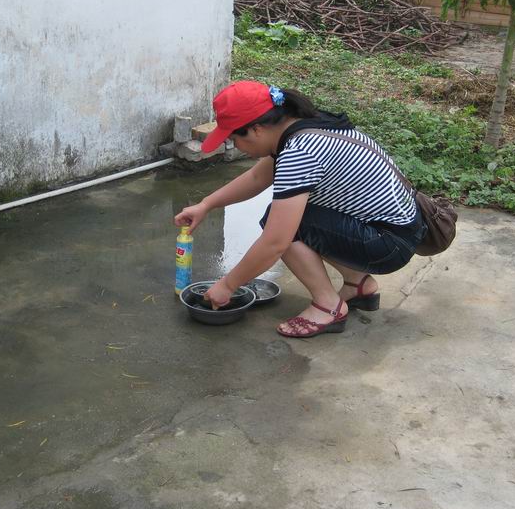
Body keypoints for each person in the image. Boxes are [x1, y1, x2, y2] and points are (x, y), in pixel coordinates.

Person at [173, 81, 426, 339]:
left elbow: (275, 243)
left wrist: (228, 285)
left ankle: (328, 306)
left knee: (282, 221)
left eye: (234, 138)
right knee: (299, 215)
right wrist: (206, 205)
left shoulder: (300, 152)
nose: (236, 146)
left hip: (389, 244)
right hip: (396, 231)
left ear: (257, 129)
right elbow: (257, 179)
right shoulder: (304, 126)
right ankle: (358, 284)